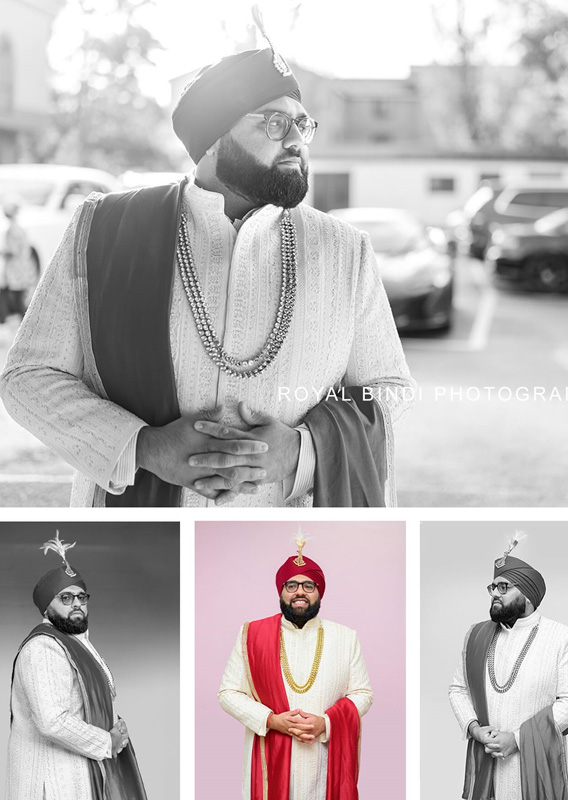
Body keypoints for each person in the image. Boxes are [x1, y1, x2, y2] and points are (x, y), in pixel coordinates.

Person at [0, 42, 414, 508]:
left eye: (302, 124)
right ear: (214, 139)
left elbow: (388, 388)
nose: (296, 139)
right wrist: (144, 447)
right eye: (274, 122)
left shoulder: (345, 251)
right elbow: (28, 377)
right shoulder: (104, 229)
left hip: (287, 553)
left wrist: (304, 450)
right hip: (139, 547)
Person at [218, 539, 372, 800]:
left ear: (319, 592)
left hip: (324, 761)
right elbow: (228, 693)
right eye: (291, 585)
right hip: (269, 760)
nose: (300, 592)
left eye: (308, 586)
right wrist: (272, 720)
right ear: (281, 591)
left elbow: (362, 693)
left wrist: (326, 723)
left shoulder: (346, 637)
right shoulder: (252, 634)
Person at [5, 532, 147, 800]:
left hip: (77, 773)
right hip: (51, 781)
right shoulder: (43, 648)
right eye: (66, 598)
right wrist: (107, 741)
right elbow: (51, 721)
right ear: (46, 608)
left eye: (81, 597)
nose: (77, 605)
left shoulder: (77, 646)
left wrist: (114, 723)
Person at [448, 537, 568, 800]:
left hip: (536, 767)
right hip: (485, 763)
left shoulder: (561, 637)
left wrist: (518, 739)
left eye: (504, 587)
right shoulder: (475, 635)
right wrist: (475, 729)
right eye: (493, 587)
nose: (495, 594)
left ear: (527, 594)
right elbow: (458, 689)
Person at [0, 196, 31, 323]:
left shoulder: (11, 229)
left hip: (14, 267)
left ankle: (20, 319)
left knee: (15, 296)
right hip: (20, 266)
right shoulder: (20, 228)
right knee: (17, 294)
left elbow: (12, 251)